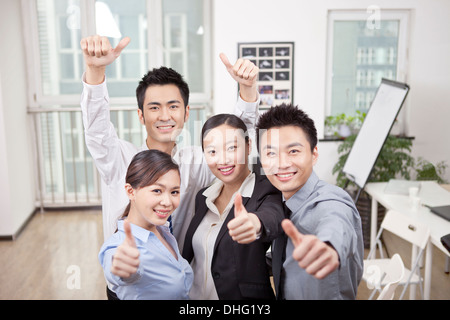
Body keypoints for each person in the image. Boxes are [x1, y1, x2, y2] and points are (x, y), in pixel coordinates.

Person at [80, 35, 260, 252]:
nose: (165, 116)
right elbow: (96, 130)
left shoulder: (195, 162)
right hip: (127, 278)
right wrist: (95, 70)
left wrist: (247, 89)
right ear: (141, 115)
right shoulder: (119, 159)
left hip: (180, 276)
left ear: (186, 114)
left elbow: (236, 141)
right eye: (154, 108)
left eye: (173, 107)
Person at [255, 103, 364, 300]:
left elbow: (336, 224)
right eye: (271, 153)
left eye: (293, 151)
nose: (282, 163)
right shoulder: (281, 201)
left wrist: (328, 247)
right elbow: (287, 254)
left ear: (314, 154)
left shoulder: (331, 201)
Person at [182, 114, 285, 300]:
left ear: (248, 146)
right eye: (212, 151)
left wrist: (255, 223)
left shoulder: (266, 189)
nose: (223, 160)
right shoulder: (203, 197)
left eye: (231, 148)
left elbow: (274, 216)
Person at [98, 149, 193, 300]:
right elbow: (119, 270)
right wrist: (123, 269)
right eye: (157, 190)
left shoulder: (162, 231)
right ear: (131, 191)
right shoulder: (117, 246)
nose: (168, 202)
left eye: (174, 192)